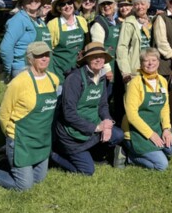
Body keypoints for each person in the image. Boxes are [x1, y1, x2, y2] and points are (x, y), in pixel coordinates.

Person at [0, 42, 58, 190]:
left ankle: (5, 162)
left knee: (39, 179)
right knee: (24, 187)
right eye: (39, 55)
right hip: (22, 140)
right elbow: (4, 113)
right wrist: (10, 135)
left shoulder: (53, 79)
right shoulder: (19, 83)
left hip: (42, 139)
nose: (45, 58)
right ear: (30, 58)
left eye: (47, 54)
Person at [51, 42, 124, 175]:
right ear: (87, 59)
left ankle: (93, 155)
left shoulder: (101, 77)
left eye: (101, 56)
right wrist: (96, 128)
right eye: (94, 57)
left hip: (92, 126)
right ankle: (55, 155)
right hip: (71, 134)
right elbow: (69, 114)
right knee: (87, 171)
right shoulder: (74, 78)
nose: (98, 60)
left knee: (117, 135)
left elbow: (102, 105)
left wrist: (107, 123)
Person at [121, 49, 172, 171]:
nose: (150, 63)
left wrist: (166, 129)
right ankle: (130, 156)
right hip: (136, 131)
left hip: (156, 127)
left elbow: (165, 107)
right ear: (141, 63)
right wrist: (151, 135)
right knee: (162, 165)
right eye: (146, 60)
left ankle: (154, 151)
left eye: (153, 60)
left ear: (158, 62)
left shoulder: (163, 81)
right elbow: (131, 115)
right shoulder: (135, 83)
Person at [0, 0, 52, 79]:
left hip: (39, 68)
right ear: (22, 2)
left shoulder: (38, 21)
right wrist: (8, 69)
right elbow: (6, 47)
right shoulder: (18, 20)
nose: (33, 0)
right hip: (24, 69)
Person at [47, 0, 88, 84]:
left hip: (78, 70)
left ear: (73, 5)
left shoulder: (82, 21)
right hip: (60, 71)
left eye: (69, 3)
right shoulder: (53, 24)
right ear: (58, 8)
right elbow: (48, 49)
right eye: (62, 4)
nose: (67, 6)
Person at [116, 0, 152, 84]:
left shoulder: (152, 21)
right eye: (136, 4)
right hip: (135, 69)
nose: (140, 7)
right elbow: (122, 47)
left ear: (148, 5)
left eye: (142, 4)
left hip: (151, 66)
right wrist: (125, 71)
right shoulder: (129, 22)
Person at [90, 0, 120, 98]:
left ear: (114, 5)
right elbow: (98, 49)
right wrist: (106, 69)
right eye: (103, 4)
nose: (106, 6)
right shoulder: (98, 24)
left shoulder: (116, 22)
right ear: (99, 7)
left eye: (109, 3)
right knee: (105, 100)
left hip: (117, 68)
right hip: (106, 69)